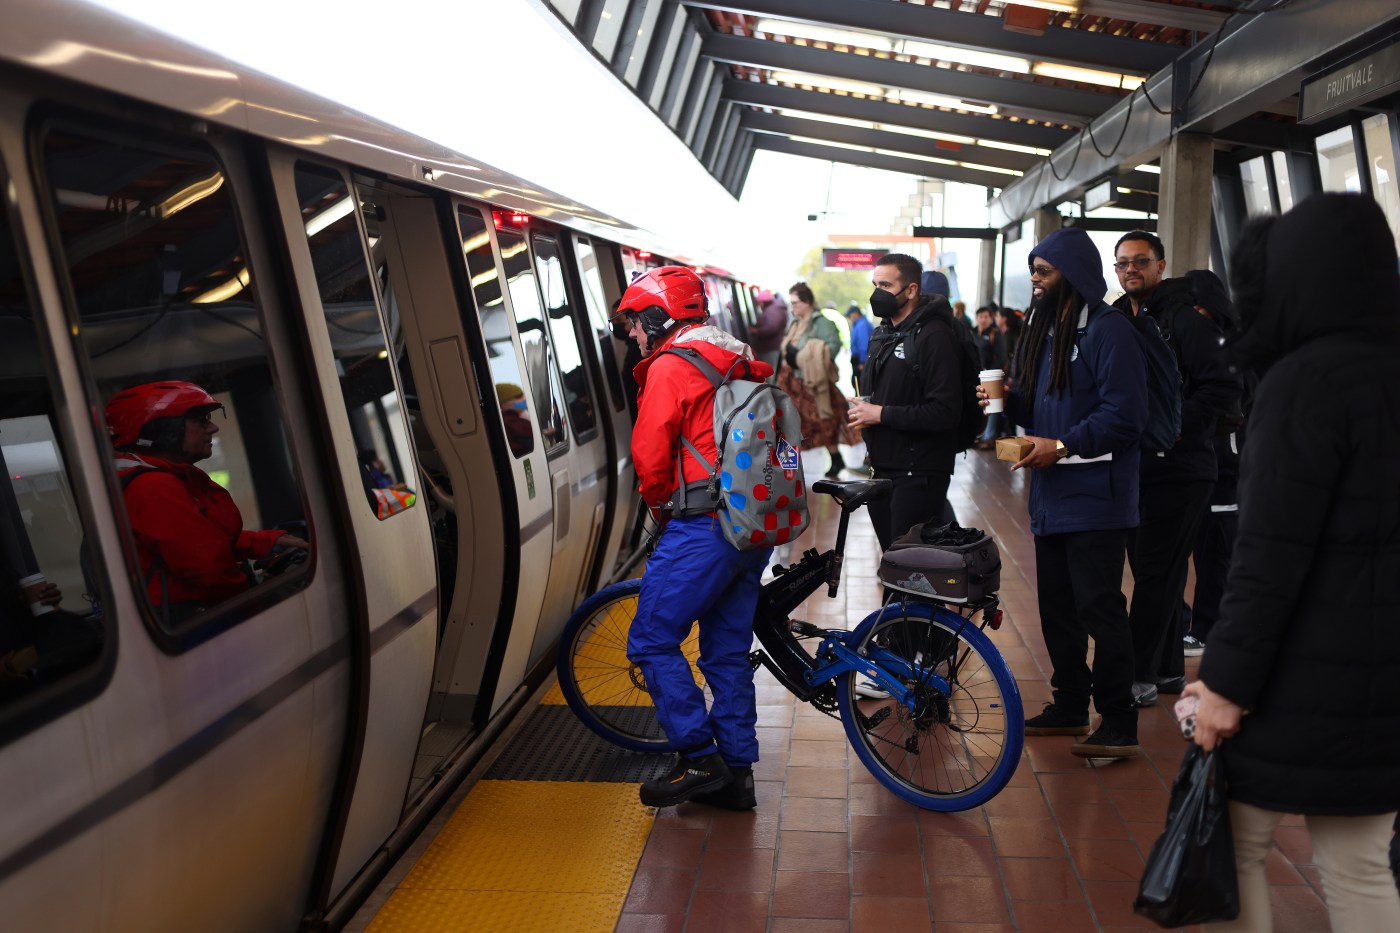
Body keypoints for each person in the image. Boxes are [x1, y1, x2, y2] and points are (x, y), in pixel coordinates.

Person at [1185, 193, 1400, 933]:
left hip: (1295, 677)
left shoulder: (1304, 382)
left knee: (1232, 847)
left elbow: (1268, 558)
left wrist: (1223, 684)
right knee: (1362, 864)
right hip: (1384, 681)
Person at [612, 266, 773, 811]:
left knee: (653, 639)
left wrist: (660, 509)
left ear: (657, 318)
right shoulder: (740, 358)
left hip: (702, 527)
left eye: (634, 324)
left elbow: (651, 457)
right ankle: (736, 774)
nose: (633, 336)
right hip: (751, 523)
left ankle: (697, 757)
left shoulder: (671, 367)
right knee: (725, 653)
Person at [991, 227, 1147, 759]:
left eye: (1044, 271)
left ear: (1073, 275)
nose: (1034, 281)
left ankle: (1119, 718)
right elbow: (1040, 409)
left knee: (1100, 607)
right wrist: (1006, 405)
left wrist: (1060, 443)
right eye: (1033, 270)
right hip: (1052, 496)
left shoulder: (1108, 331)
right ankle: (1070, 702)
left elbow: (1124, 417)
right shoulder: (1047, 330)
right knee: (1057, 605)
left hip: (1097, 497)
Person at [1110, 231, 1238, 708]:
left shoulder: (1187, 320)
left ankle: (1137, 674)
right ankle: (1164, 670)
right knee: (1149, 570)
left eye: (1140, 261)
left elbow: (1224, 389)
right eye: (1122, 263)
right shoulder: (1119, 319)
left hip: (1183, 468)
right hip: (1138, 466)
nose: (1130, 270)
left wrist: (1172, 425)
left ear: (1161, 266)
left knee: (1156, 575)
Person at [104, 381, 308, 621]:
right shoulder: (152, 488)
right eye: (200, 420)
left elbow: (201, 537)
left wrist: (268, 542)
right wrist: (257, 605)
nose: (212, 428)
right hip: (194, 626)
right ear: (162, 429)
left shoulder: (167, 477)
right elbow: (208, 568)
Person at [848, 254, 962, 549]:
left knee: (913, 569)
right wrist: (865, 410)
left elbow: (945, 411)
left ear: (911, 290)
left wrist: (881, 414)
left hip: (919, 472)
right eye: (875, 284)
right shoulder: (882, 334)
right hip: (882, 467)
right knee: (893, 563)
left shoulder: (934, 336)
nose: (877, 293)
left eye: (885, 284)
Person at [1178, 269, 1245, 656]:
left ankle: (1208, 628)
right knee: (1200, 545)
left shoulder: (1230, 346)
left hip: (1226, 462)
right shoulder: (1201, 343)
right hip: (1205, 461)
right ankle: (1196, 623)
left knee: (1215, 549)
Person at [778, 282, 853, 479]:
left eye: (796, 303)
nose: (793, 307)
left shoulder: (821, 323)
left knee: (824, 423)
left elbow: (833, 347)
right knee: (788, 426)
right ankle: (789, 467)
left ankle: (835, 458)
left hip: (813, 383)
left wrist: (804, 355)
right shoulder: (794, 324)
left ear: (808, 302)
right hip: (791, 383)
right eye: (791, 303)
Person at [973, 305, 1008, 449]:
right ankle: (980, 433)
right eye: (980, 317)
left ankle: (990, 435)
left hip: (991, 376)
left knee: (992, 405)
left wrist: (989, 372)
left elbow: (1002, 357)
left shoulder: (995, 334)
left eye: (986, 317)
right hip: (976, 375)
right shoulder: (973, 333)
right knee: (979, 405)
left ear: (991, 318)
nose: (983, 320)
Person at [746, 288, 788, 380]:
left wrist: (756, 331)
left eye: (759, 302)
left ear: (764, 302)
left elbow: (772, 328)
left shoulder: (773, 311)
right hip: (771, 347)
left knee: (772, 374)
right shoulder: (774, 309)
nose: (759, 305)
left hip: (771, 348)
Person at [495, 382, 533, 457]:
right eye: (518, 397)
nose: (523, 399)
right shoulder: (512, 423)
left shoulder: (514, 420)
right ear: (504, 403)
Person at [846, 301, 873, 393]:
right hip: (859, 359)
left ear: (856, 314)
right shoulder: (860, 324)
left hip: (861, 361)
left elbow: (863, 344)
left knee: (860, 387)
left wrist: (862, 362)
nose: (849, 318)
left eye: (850, 315)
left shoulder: (862, 325)